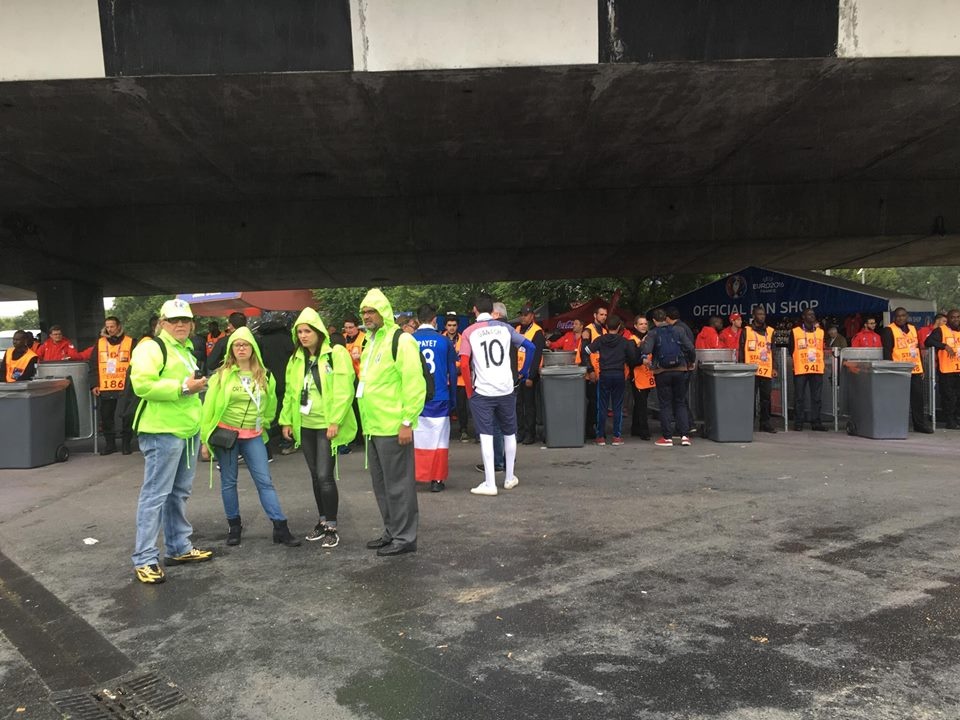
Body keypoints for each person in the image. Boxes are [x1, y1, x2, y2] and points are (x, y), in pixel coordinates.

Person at [129, 299, 212, 584]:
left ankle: (178, 548)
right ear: (162, 323)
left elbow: (190, 388)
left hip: (187, 431)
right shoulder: (151, 347)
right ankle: (145, 558)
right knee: (155, 495)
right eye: (174, 320)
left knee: (178, 493)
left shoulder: (185, 349)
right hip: (162, 431)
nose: (180, 325)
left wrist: (199, 385)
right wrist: (183, 387)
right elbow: (142, 385)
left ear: (192, 324)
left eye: (185, 320)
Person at [200, 327, 300, 548]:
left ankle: (280, 527)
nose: (242, 348)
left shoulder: (266, 375)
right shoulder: (221, 376)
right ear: (231, 349)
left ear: (253, 348)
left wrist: (263, 424)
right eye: (237, 345)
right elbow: (208, 408)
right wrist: (205, 439)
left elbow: (271, 404)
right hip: (227, 435)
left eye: (246, 344)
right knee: (229, 482)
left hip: (254, 435)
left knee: (265, 482)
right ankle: (234, 527)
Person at [279, 308, 357, 547]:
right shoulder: (296, 359)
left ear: (318, 332)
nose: (303, 336)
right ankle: (322, 521)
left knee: (324, 476)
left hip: (326, 425)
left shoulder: (336, 354)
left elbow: (345, 389)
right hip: (306, 424)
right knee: (315, 476)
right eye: (300, 331)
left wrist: (335, 420)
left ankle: (332, 525)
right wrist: (286, 420)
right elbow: (291, 393)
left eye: (308, 331)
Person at [357, 289, 427, 556]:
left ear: (383, 312)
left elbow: (414, 383)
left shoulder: (402, 340)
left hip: (393, 426)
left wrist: (407, 421)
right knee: (382, 486)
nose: (367, 316)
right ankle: (392, 531)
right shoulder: (370, 341)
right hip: (373, 426)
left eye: (371, 311)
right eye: (364, 312)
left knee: (399, 486)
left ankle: (405, 537)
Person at [460, 293, 534, 497]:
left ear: (475, 309)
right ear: (492, 309)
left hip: (483, 391)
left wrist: (469, 390)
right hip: (506, 388)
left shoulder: (468, 332)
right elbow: (530, 346)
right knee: (510, 432)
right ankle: (510, 477)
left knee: (486, 435)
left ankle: (490, 482)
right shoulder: (506, 328)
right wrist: (524, 372)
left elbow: (465, 363)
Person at [413, 304, 457, 492]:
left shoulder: (409, 341)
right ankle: (437, 480)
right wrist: (453, 398)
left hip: (416, 396)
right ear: (434, 320)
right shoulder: (444, 341)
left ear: (416, 321)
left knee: (417, 438)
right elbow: (453, 373)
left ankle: (417, 476)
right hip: (440, 396)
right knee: (439, 440)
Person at [641, 309, 696, 447]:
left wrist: (646, 360)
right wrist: (691, 362)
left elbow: (646, 351)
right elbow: (690, 348)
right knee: (680, 402)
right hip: (680, 370)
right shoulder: (679, 330)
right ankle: (684, 436)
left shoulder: (652, 333)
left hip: (662, 371)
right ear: (665, 318)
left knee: (665, 404)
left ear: (653, 320)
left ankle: (667, 438)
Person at [582, 315, 637, 446]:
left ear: (606, 327)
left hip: (605, 374)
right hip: (619, 375)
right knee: (617, 406)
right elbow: (633, 358)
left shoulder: (601, 340)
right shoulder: (624, 342)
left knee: (602, 406)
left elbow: (586, 351)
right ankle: (617, 437)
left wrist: (585, 340)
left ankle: (600, 436)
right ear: (619, 327)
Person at [882, 306, 933, 433]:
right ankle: (896, 424)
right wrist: (889, 368)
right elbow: (887, 351)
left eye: (903, 315)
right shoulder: (889, 330)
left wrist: (921, 367)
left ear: (907, 316)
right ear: (894, 317)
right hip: (898, 370)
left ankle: (919, 425)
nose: (900, 318)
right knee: (898, 399)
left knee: (918, 398)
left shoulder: (913, 329)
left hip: (914, 369)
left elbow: (917, 348)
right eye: (898, 316)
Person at [90, 316, 136, 455]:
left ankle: (126, 445)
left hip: (125, 385)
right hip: (106, 386)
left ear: (119, 326)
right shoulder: (100, 343)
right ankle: (110, 445)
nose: (109, 329)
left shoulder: (131, 342)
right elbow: (93, 365)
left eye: (112, 326)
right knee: (106, 417)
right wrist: (94, 384)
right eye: (107, 327)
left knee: (126, 416)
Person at [254, 312, 294, 454]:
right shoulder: (287, 339)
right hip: (286, 380)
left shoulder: (260, 340)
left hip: (267, 381)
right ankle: (287, 441)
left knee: (268, 412)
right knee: (286, 411)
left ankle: (267, 443)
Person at [788, 308, 828, 431]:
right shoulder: (795, 332)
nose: (812, 316)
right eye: (809, 314)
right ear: (803, 317)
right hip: (801, 369)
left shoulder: (820, 332)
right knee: (799, 397)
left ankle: (816, 422)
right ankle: (798, 422)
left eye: (813, 314)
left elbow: (822, 348)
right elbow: (791, 349)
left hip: (816, 368)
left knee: (816, 398)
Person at [739, 306, 777, 433]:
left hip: (766, 369)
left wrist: (774, 367)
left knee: (766, 398)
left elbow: (773, 351)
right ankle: (749, 422)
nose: (762, 316)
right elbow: (741, 350)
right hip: (751, 369)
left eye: (763, 314)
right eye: (759, 314)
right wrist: (741, 367)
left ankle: (765, 423)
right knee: (750, 397)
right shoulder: (746, 330)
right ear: (753, 315)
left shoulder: (770, 331)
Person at [514, 303, 545, 445]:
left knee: (529, 405)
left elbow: (537, 355)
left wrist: (531, 376)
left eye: (525, 315)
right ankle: (520, 432)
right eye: (521, 314)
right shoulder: (517, 329)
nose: (523, 317)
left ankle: (530, 434)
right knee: (518, 405)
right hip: (517, 373)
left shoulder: (537, 332)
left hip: (528, 374)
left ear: (532, 315)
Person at [925, 308, 960, 429]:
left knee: (958, 397)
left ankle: (956, 419)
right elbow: (928, 341)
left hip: (959, 369)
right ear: (948, 319)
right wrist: (944, 346)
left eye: (958, 317)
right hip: (947, 370)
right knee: (949, 397)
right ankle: (950, 422)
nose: (956, 319)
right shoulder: (941, 330)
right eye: (953, 317)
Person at [443, 313, 471, 443]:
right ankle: (444, 431)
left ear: (457, 326)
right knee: (445, 405)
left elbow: (468, 359)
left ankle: (464, 430)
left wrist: (457, 370)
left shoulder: (463, 340)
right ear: (445, 326)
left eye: (454, 325)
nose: (452, 328)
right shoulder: (440, 339)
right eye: (449, 325)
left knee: (461, 406)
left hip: (460, 380)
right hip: (445, 379)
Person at [585, 306, 608, 439]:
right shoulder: (588, 330)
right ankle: (590, 428)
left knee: (600, 402)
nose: (603, 317)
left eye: (605, 315)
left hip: (602, 372)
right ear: (595, 315)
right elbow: (584, 352)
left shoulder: (604, 330)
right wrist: (590, 370)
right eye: (601, 314)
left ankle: (599, 428)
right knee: (593, 402)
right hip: (592, 373)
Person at [630, 316, 654, 440]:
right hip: (636, 375)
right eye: (641, 324)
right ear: (635, 326)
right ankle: (644, 431)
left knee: (639, 403)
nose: (644, 326)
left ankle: (635, 428)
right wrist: (641, 350)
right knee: (642, 403)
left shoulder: (649, 338)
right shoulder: (632, 340)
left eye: (645, 323)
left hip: (647, 375)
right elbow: (631, 360)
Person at [206, 312, 246, 376]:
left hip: (229, 376)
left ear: (231, 325)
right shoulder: (255, 340)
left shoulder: (223, 342)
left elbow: (211, 364)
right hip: (253, 377)